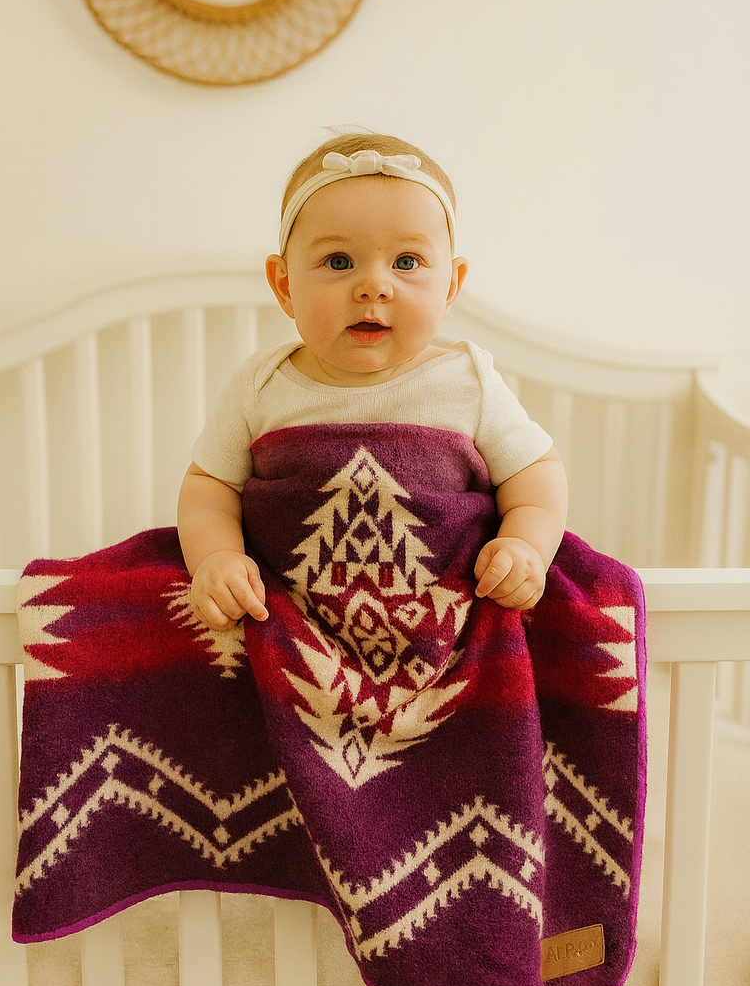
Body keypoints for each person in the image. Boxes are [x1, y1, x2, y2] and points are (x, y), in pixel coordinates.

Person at [177, 132, 568, 631]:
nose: (374, 286)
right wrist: (217, 558)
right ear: (285, 285)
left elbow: (536, 476)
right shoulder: (261, 387)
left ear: (450, 285)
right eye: (339, 262)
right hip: (286, 616)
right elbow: (210, 486)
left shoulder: (469, 384)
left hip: (445, 614)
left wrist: (524, 545)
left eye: (406, 262)